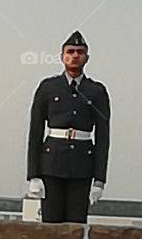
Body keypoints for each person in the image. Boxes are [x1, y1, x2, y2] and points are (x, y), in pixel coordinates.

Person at [26, 31, 111, 224]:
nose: (74, 56)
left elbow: (103, 137)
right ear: (61, 56)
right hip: (51, 162)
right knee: (51, 224)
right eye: (70, 51)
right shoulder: (48, 87)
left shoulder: (96, 91)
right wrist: (33, 175)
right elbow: (35, 132)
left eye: (79, 52)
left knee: (76, 225)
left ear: (86, 58)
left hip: (82, 165)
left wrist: (99, 179)